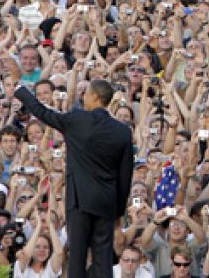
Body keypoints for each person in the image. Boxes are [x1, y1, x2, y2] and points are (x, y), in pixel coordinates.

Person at [14, 79, 134, 277]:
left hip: (79, 200)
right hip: (106, 202)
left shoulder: (76, 120)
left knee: (77, 255)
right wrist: (118, 211)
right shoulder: (122, 131)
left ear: (95, 97)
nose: (83, 97)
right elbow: (125, 175)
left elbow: (43, 113)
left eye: (86, 93)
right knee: (103, 256)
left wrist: (21, 91)